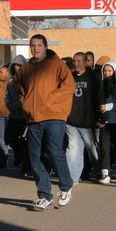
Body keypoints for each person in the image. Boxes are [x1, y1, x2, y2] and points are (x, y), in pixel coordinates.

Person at [13, 34, 74, 210]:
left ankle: (65, 187)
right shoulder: (26, 68)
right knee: (35, 158)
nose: (35, 48)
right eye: (32, 45)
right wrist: (24, 101)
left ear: (45, 46)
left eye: (39, 45)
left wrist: (50, 100)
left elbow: (69, 86)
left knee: (55, 152)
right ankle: (44, 195)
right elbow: (17, 86)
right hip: (34, 118)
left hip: (54, 116)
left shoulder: (57, 64)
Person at [65, 51, 101, 183]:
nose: (76, 63)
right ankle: (72, 177)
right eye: (74, 61)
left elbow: (99, 98)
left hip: (88, 119)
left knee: (91, 147)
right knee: (73, 146)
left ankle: (99, 170)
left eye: (79, 61)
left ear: (86, 62)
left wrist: (100, 117)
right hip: (71, 118)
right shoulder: (70, 77)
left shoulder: (94, 77)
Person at [4, 55, 30, 178]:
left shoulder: (28, 79)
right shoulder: (10, 81)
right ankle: (18, 156)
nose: (16, 67)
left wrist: (14, 105)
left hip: (23, 116)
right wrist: (8, 103)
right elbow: (7, 95)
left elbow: (25, 98)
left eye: (19, 65)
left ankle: (26, 166)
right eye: (15, 65)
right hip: (13, 115)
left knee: (24, 142)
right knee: (11, 138)